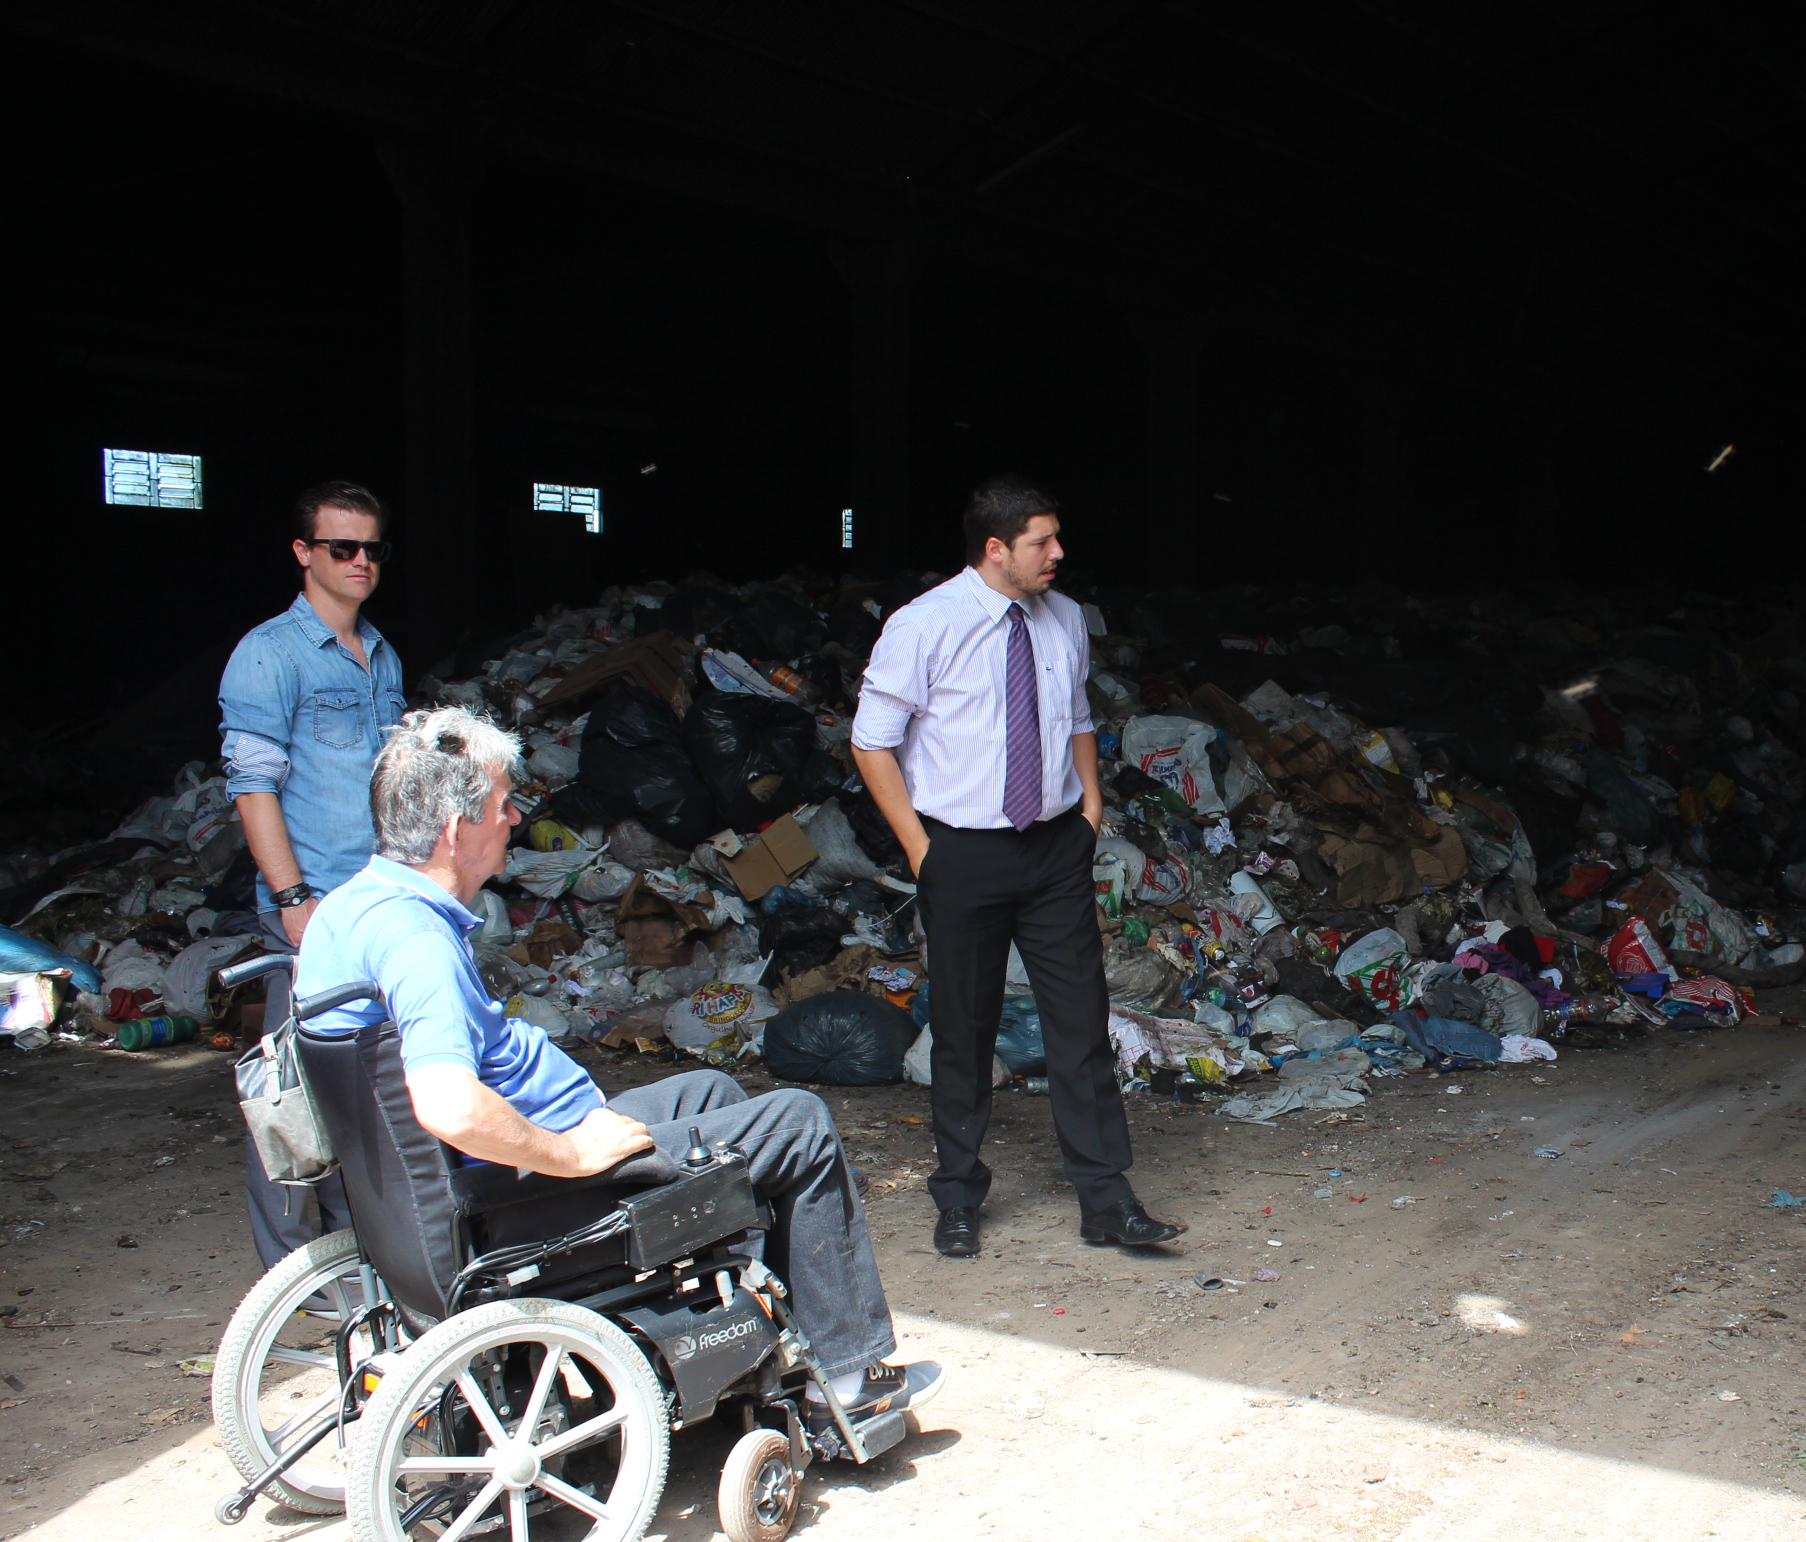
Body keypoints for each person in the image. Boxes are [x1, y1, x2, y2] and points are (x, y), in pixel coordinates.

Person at [295, 708, 937, 1418]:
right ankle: (845, 1380)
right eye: (503, 805)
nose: (515, 818)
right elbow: (447, 1105)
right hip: (528, 1196)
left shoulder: (347, 909)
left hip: (472, 1184)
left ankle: (746, 1341)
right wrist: (570, 1154)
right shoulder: (416, 942)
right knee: (799, 1123)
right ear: (455, 830)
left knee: (711, 1092)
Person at [850, 476, 1182, 1259]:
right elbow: (871, 741)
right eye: (1042, 541)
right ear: (996, 548)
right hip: (962, 851)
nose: (1058, 553)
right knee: (964, 1029)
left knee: (1081, 1023)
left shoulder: (1064, 617)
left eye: (1056, 537)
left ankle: (1107, 1199)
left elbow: (1077, 719)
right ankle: (958, 1196)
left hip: (1056, 846)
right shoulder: (924, 625)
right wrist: (920, 848)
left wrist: (1090, 809)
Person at [218, 481, 407, 1267]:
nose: (361, 561)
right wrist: (292, 897)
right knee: (293, 1090)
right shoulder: (269, 654)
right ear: (304, 553)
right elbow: (253, 788)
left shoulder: (382, 654)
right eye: (342, 547)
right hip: (314, 904)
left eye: (372, 548)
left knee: (365, 1091)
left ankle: (362, 1253)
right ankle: (295, 1271)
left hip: (375, 901)